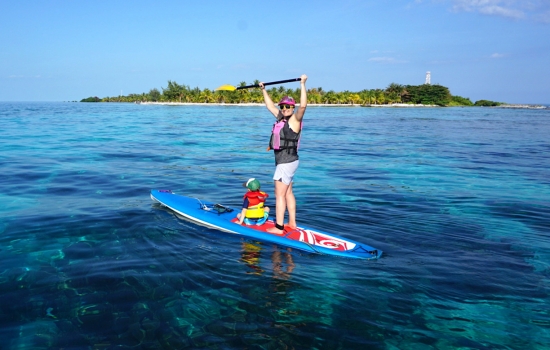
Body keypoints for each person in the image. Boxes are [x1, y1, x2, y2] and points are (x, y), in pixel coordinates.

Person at [259, 74, 307, 234]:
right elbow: (270, 106)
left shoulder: (294, 120)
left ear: (293, 108)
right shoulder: (281, 118)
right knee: (288, 192)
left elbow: (304, 107)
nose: (285, 109)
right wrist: (263, 90)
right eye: (283, 107)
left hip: (285, 162)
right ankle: (292, 222)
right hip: (291, 161)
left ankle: (279, 227)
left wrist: (302, 84)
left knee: (279, 194)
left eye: (288, 107)